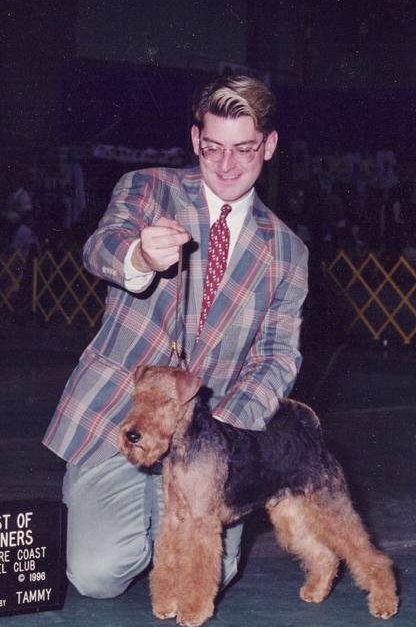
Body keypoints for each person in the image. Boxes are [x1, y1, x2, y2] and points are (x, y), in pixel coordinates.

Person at [43, 76, 308, 599]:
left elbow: (278, 356)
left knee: (208, 575)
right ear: (194, 140)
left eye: (244, 149)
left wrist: (227, 430)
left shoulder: (288, 252)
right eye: (212, 149)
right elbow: (102, 247)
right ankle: (134, 520)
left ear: (270, 146)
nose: (227, 165)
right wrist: (139, 257)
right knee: (98, 576)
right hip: (121, 420)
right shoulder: (148, 188)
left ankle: (165, 521)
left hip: (211, 440)